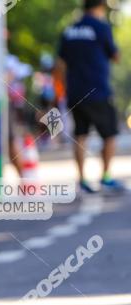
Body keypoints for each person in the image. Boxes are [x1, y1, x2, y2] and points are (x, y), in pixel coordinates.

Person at [56, 0, 124, 193]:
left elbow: (60, 64)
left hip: (75, 91)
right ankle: (106, 177)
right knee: (110, 134)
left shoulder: (69, 30)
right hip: (98, 90)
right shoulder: (101, 27)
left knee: (80, 135)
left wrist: (61, 91)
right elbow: (115, 55)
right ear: (100, 8)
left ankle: (82, 180)